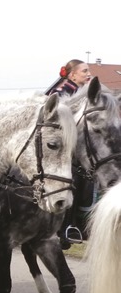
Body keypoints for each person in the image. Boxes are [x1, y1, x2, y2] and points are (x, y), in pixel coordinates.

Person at [46, 60, 92, 249]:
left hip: (77, 148)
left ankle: (79, 225)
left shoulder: (84, 94)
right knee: (70, 183)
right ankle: (64, 228)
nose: (88, 74)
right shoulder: (60, 94)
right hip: (60, 149)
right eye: (84, 71)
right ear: (72, 75)